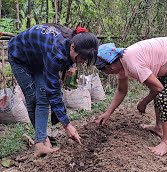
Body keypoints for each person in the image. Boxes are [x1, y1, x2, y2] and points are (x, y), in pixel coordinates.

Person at [94, 37, 167, 156]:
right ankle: (158, 128)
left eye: (104, 71)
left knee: (164, 96)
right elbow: (122, 91)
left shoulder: (132, 64)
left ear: (109, 67)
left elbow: (158, 88)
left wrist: (144, 102)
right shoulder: (121, 64)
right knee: (160, 92)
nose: (107, 73)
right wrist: (108, 113)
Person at [8, 24, 99, 157]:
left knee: (43, 97)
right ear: (73, 47)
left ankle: (42, 139)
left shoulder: (73, 39)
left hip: (38, 58)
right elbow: (54, 92)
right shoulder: (56, 51)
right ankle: (40, 144)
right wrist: (67, 125)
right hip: (19, 57)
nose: (81, 62)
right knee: (33, 98)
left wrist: (70, 65)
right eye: (81, 59)